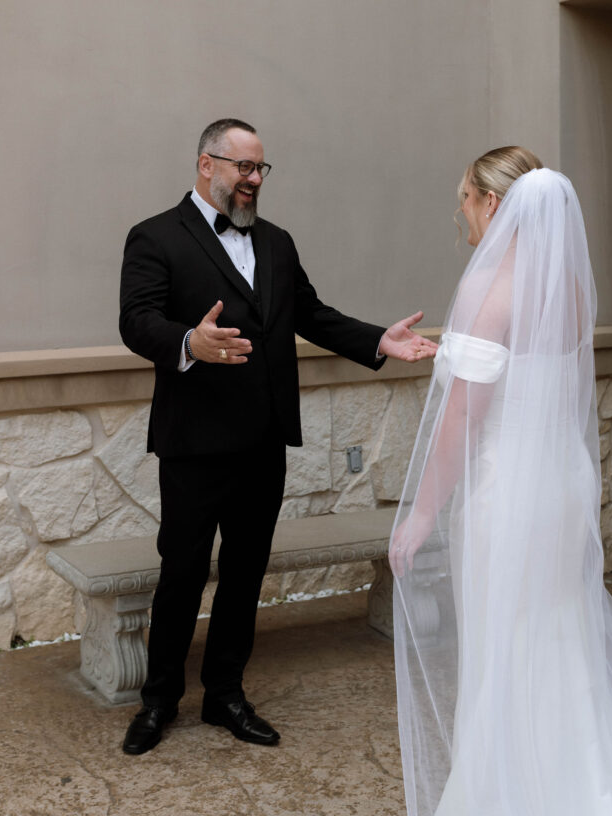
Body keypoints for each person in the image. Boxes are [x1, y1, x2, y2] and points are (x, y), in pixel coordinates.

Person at [119, 118, 437, 756]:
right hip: (193, 442)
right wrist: (189, 342)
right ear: (207, 164)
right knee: (181, 572)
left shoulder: (279, 241)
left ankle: (225, 695)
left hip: (262, 440)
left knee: (244, 573)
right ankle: (158, 701)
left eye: (261, 169)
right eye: (243, 167)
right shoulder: (154, 236)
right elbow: (137, 320)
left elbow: (311, 314)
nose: (254, 180)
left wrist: (378, 339)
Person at [390, 146, 612, 816]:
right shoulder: (567, 287)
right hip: (559, 487)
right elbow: (530, 379)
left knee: (504, 644)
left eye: (464, 197)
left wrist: (421, 515)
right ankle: (583, 787)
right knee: (559, 636)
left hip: (505, 492)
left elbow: (462, 417)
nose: (458, 210)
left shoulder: (485, 287)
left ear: (493, 204)